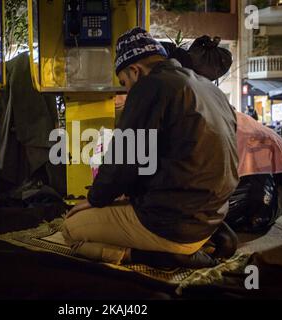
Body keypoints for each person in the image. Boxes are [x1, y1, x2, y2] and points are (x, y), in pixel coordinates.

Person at [61, 27, 239, 267]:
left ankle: (160, 256)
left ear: (135, 70)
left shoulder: (150, 87)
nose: (126, 91)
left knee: (71, 230)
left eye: (125, 83)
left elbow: (123, 159)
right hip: (213, 216)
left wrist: (95, 199)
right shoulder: (210, 89)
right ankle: (207, 240)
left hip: (173, 223)